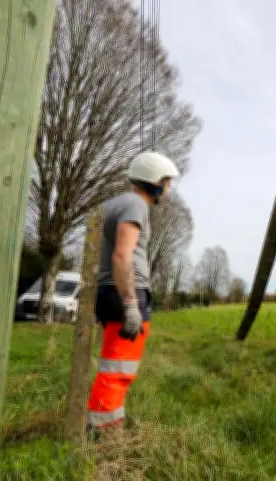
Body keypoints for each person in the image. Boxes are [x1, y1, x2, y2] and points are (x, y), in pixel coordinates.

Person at [86, 151, 179, 438]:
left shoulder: (111, 204)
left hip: (107, 291)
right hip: (126, 291)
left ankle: (102, 425)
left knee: (111, 364)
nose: (169, 188)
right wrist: (130, 304)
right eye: (167, 181)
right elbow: (122, 256)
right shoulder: (135, 205)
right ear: (155, 181)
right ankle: (105, 435)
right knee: (119, 370)